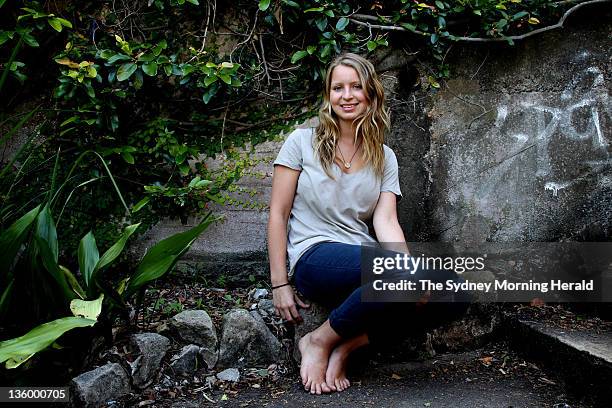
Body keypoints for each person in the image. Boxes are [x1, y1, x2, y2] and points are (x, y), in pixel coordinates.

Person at [268, 53, 426, 395]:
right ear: (328, 96)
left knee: (452, 289)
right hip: (314, 256)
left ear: (370, 93)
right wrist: (279, 284)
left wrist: (409, 271)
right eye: (338, 88)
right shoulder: (300, 143)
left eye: (356, 87)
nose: (347, 95)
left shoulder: (385, 157)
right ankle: (317, 341)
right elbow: (278, 215)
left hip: (364, 259)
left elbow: (386, 221)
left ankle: (346, 344)